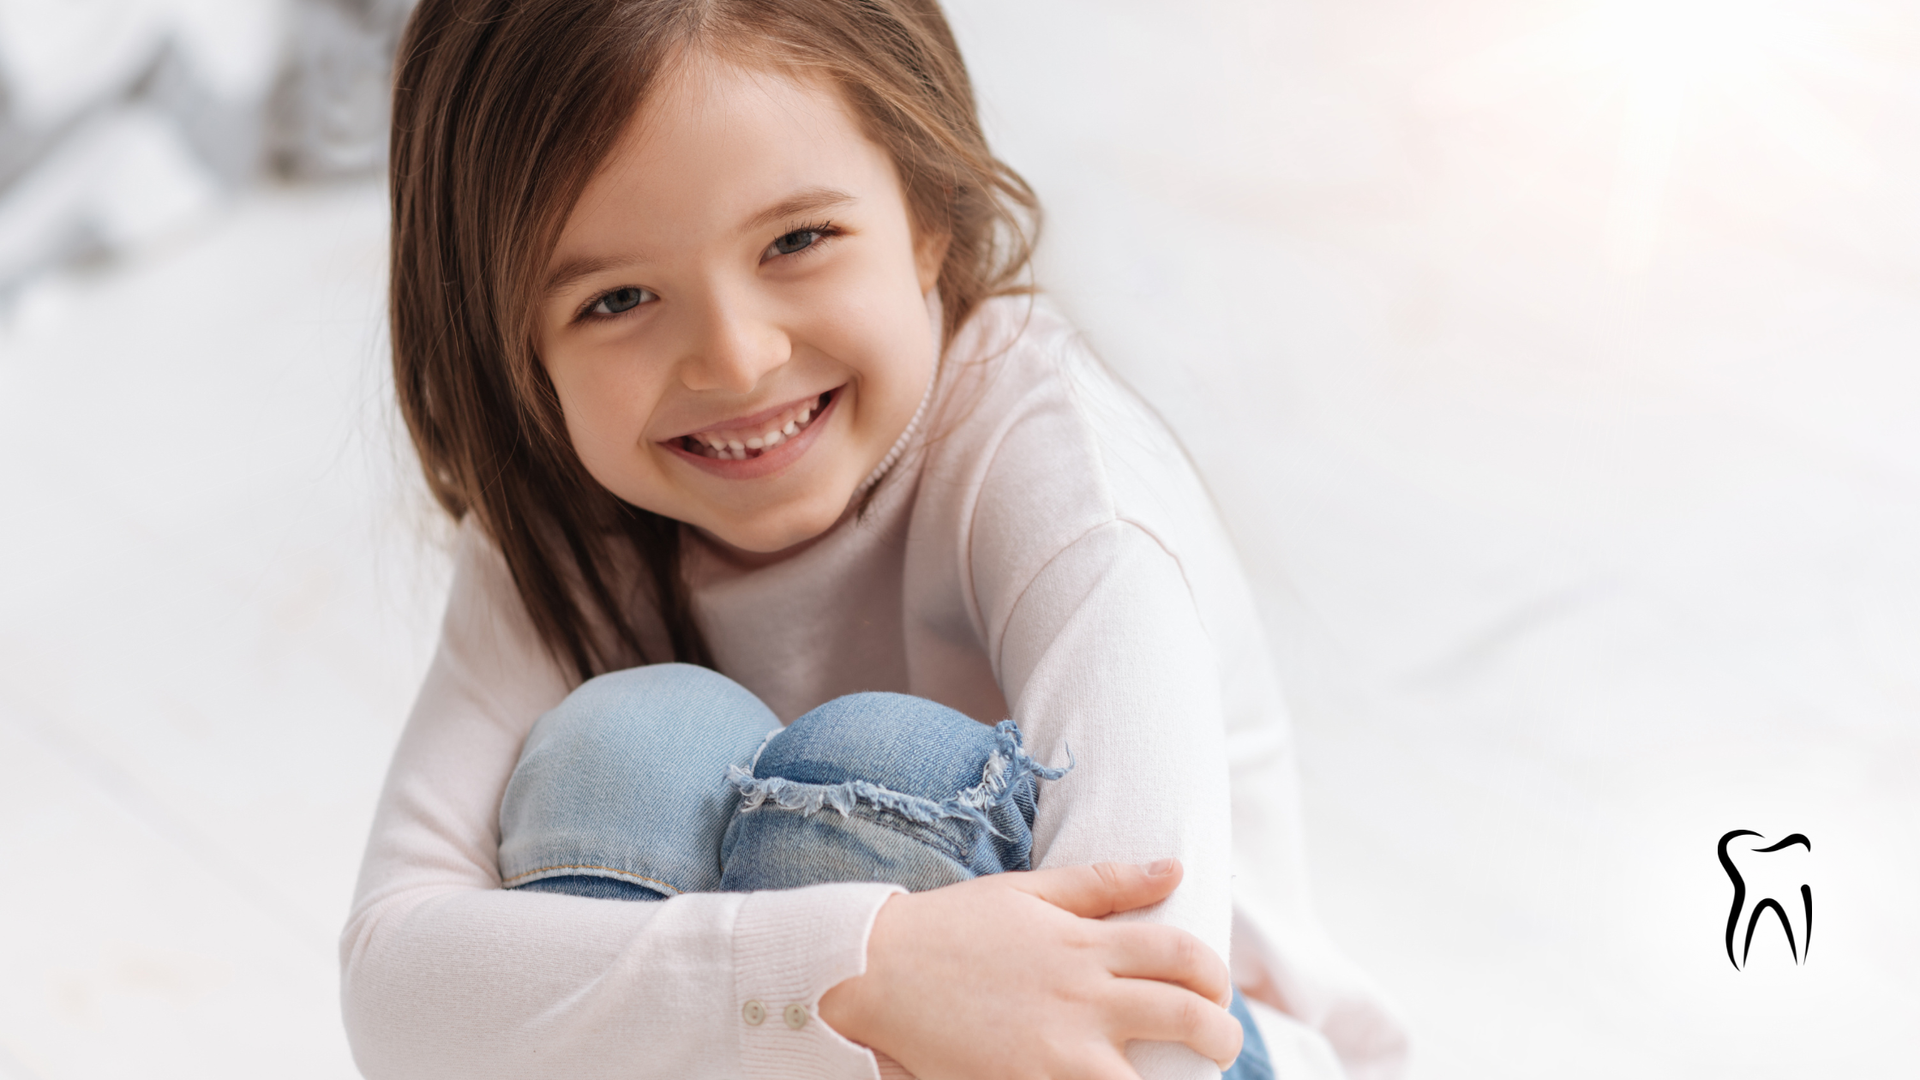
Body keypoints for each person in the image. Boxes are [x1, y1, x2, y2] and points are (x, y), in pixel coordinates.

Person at [341, 1, 1408, 1078]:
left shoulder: (1061, 474)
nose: (736, 358)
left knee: (864, 772)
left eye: (797, 240)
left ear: (927, 211)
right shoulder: (561, 527)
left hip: (1180, 1054)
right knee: (632, 748)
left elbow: (1152, 1008)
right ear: (512, 345)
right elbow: (395, 989)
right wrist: (864, 970)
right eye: (617, 299)